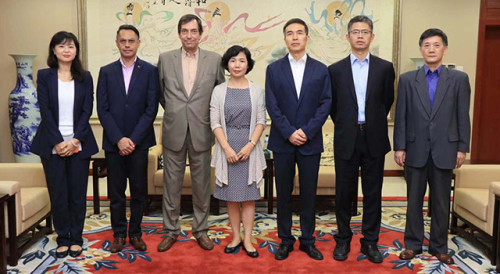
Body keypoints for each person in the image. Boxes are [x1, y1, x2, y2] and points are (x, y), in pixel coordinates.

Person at [394, 28, 471, 265]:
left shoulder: (458, 79)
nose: (431, 49)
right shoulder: (408, 80)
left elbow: (462, 115)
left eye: (436, 45)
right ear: (421, 49)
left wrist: (462, 148)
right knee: (413, 201)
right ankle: (413, 245)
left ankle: (439, 246)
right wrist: (399, 146)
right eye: (426, 45)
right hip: (415, 149)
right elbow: (401, 116)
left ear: (444, 49)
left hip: (445, 150)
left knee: (440, 202)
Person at [328, 15, 395, 263]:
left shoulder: (385, 68)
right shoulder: (334, 70)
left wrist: (371, 122)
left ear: (372, 37)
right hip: (347, 136)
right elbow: (333, 107)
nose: (359, 36)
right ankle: (343, 240)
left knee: (373, 193)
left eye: (364, 32)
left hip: (374, 137)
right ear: (347, 37)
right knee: (344, 192)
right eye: (355, 32)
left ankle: (370, 242)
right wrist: (348, 124)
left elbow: (387, 99)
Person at [157, 14, 225, 252]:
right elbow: (160, 93)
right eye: (184, 31)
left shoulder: (214, 60)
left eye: (193, 31)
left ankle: (201, 230)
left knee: (201, 185)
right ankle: (171, 230)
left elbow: (220, 95)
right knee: (171, 184)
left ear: (200, 34)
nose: (189, 35)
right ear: (179, 34)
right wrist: (178, 113)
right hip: (174, 130)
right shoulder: (165, 59)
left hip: (202, 130)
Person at [266, 18, 332, 261]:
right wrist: (288, 132)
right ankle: (285, 239)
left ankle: (307, 240)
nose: (295, 37)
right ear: (285, 39)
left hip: (310, 141)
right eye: (290, 33)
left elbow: (325, 103)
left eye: (299, 33)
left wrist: (307, 130)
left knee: (308, 193)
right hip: (283, 141)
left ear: (307, 38)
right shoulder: (273, 69)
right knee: (282, 194)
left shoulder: (320, 69)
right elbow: (271, 104)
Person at [31, 31, 98, 258]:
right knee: (58, 193)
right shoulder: (44, 76)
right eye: (61, 46)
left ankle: (76, 238)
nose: (66, 50)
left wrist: (75, 139)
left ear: (76, 50)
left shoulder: (85, 77)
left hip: (79, 143)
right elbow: (45, 111)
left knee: (77, 193)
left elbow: (87, 110)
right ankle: (63, 238)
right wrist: (59, 142)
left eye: (71, 46)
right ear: (54, 50)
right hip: (52, 144)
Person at [97, 24, 159, 253]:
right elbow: (102, 109)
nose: (127, 45)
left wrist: (132, 139)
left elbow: (151, 109)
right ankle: (119, 235)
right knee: (116, 193)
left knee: (139, 191)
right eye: (122, 41)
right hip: (114, 144)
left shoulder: (150, 71)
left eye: (131, 41)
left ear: (138, 43)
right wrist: (118, 139)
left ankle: (135, 233)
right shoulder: (106, 71)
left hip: (139, 143)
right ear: (117, 44)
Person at [210, 45, 266, 258]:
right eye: (233, 61)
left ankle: (249, 240)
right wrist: (226, 148)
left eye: (241, 60)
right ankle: (235, 237)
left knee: (249, 197)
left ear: (248, 64)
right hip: (227, 147)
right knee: (232, 197)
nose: (237, 65)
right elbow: (214, 122)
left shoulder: (256, 90)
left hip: (249, 147)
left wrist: (250, 145)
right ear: (227, 64)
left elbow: (261, 120)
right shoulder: (219, 91)